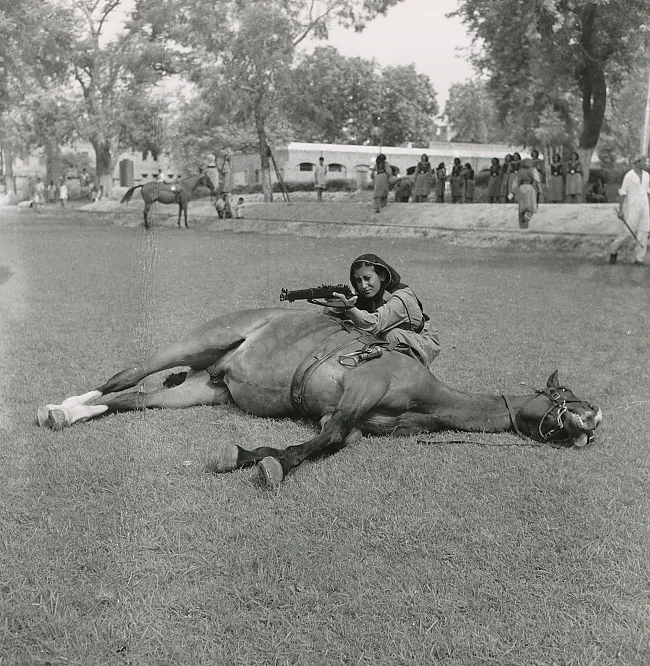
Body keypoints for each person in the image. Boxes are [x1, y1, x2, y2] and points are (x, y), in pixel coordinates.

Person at [325, 254, 441, 370]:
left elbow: (374, 324)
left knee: (392, 336)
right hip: (388, 336)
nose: (363, 286)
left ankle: (417, 376)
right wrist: (335, 306)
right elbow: (328, 319)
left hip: (420, 341)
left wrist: (348, 308)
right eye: (358, 280)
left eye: (367, 278)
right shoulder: (364, 294)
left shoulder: (401, 297)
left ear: (382, 276)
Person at [609, 154, 649, 266]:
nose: (645, 163)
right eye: (643, 161)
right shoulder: (629, 176)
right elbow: (622, 193)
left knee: (644, 231)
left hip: (644, 207)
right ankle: (613, 250)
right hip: (632, 207)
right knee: (626, 232)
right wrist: (621, 210)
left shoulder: (646, 175)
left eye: (646, 161)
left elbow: (647, 192)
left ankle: (639, 258)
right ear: (636, 162)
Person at [509, 158, 540, 229]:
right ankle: (527, 219)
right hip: (530, 188)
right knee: (530, 206)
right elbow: (537, 180)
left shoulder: (520, 171)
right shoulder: (533, 170)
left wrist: (513, 191)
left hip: (521, 188)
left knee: (522, 206)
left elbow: (516, 182)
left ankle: (522, 225)